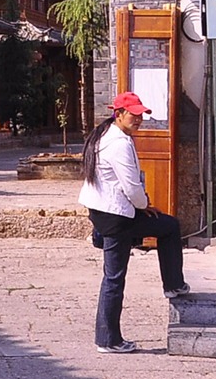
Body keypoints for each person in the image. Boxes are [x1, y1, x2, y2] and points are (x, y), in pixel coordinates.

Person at [78, 91, 189, 354]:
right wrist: (143, 206)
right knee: (115, 276)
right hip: (116, 214)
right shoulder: (118, 143)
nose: (138, 119)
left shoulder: (108, 135)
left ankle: (172, 284)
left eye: (141, 115)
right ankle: (109, 339)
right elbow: (132, 186)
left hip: (105, 210)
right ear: (118, 114)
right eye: (134, 114)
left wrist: (141, 207)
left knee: (163, 227)